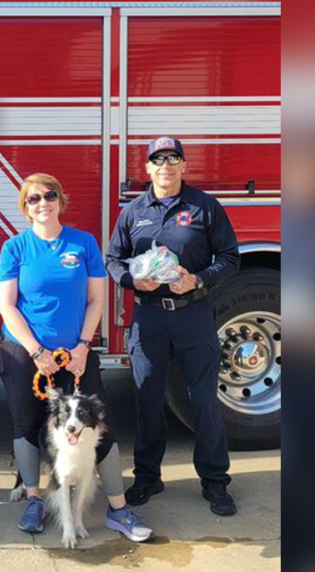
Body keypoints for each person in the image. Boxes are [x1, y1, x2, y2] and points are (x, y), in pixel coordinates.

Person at [0, 173, 152, 541]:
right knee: (28, 425)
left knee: (99, 425)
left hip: (76, 353)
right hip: (24, 352)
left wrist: (83, 346)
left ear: (60, 200)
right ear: (25, 207)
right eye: (33, 199)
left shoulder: (82, 243)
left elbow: (96, 299)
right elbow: (6, 306)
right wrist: (37, 352)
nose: (42, 203)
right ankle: (34, 500)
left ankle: (119, 509)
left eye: (50, 195)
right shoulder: (15, 248)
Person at [107, 136, 241, 516]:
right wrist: (134, 281)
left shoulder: (205, 207)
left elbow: (230, 258)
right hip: (148, 316)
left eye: (173, 158)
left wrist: (196, 280)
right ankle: (148, 476)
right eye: (158, 159)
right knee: (147, 399)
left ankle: (215, 480)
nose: (165, 165)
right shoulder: (133, 212)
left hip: (193, 313)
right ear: (147, 168)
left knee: (203, 400)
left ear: (184, 166)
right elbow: (113, 259)